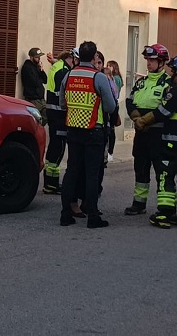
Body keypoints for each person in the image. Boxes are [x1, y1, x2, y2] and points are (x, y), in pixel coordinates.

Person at [135, 54, 177, 229]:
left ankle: (164, 214)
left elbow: (162, 112)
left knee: (166, 176)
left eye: (173, 70)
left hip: (176, 145)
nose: (170, 73)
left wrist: (142, 121)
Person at [58, 41, 117, 229]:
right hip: (94, 130)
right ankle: (93, 216)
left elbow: (62, 104)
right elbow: (110, 106)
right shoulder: (98, 77)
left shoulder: (68, 75)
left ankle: (65, 214)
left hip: (73, 130)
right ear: (93, 58)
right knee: (92, 174)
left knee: (72, 171)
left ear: (78, 57)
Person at [123, 44, 170, 215]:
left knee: (161, 171)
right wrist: (137, 118)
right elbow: (130, 101)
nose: (148, 63)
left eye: (152, 60)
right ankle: (139, 203)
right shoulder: (141, 82)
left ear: (162, 62)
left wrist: (147, 119)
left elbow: (167, 107)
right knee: (140, 168)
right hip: (141, 132)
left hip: (159, 134)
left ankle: (164, 207)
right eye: (148, 60)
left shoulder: (168, 84)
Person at [42, 49, 78, 194]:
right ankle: (52, 184)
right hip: (59, 114)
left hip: (52, 112)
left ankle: (49, 183)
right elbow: (65, 94)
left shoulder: (57, 66)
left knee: (53, 148)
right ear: (72, 59)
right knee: (58, 148)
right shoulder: (64, 71)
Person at [20, 48, 48, 122]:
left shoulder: (37, 67)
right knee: (35, 119)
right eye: (37, 57)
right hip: (33, 98)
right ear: (31, 57)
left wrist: (41, 70)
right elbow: (35, 82)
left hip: (40, 98)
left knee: (45, 117)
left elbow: (45, 80)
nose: (38, 59)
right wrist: (40, 79)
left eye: (39, 57)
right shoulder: (27, 67)